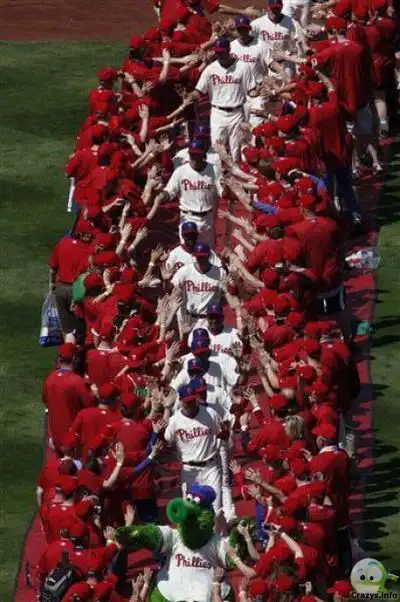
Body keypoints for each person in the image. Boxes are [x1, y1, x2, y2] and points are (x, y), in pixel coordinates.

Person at [189, 36, 257, 161]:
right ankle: (219, 173)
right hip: (217, 113)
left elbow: (251, 90)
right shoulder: (210, 69)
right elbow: (199, 91)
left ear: (229, 50)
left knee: (236, 151)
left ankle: (237, 172)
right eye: (218, 52)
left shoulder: (243, 67)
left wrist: (258, 92)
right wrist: (191, 95)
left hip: (237, 113)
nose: (220, 55)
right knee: (217, 149)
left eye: (222, 52)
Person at [164, 384, 225, 513]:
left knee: (216, 510)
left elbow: (222, 434)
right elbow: (167, 440)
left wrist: (225, 433)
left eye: (192, 400)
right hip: (189, 471)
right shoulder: (175, 420)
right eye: (187, 402)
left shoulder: (210, 414)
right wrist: (166, 409)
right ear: (181, 401)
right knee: (191, 512)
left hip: (211, 468)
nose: (190, 404)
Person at [162, 140, 224, 247]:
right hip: (188, 218)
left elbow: (222, 193)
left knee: (207, 252)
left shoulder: (213, 169)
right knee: (187, 252)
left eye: (197, 155)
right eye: (192, 155)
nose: (195, 158)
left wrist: (228, 185)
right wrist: (160, 194)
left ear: (203, 155)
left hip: (207, 219)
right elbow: (169, 192)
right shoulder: (180, 171)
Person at [42, 343, 94, 454]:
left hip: (55, 437)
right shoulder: (77, 381)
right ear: (74, 358)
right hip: (72, 440)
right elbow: (89, 405)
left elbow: (45, 401)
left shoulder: (49, 378)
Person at [48, 221, 94, 335]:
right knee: (82, 328)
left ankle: (68, 344)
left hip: (61, 289)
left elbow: (52, 268)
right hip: (79, 291)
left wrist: (51, 284)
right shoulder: (90, 249)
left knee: (66, 329)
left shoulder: (63, 242)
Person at [171, 243, 227, 334]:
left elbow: (225, 296)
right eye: (198, 256)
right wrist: (166, 280)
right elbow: (172, 288)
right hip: (189, 318)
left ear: (209, 256)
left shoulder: (220, 273)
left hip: (209, 320)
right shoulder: (185, 271)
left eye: (203, 256)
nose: (200, 259)